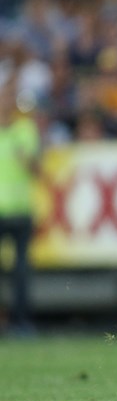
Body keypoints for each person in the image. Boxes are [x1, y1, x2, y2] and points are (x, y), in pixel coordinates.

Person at [0, 83, 40, 335]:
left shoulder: (25, 130)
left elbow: (35, 168)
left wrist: (24, 157)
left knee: (21, 272)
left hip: (21, 209)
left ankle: (20, 320)